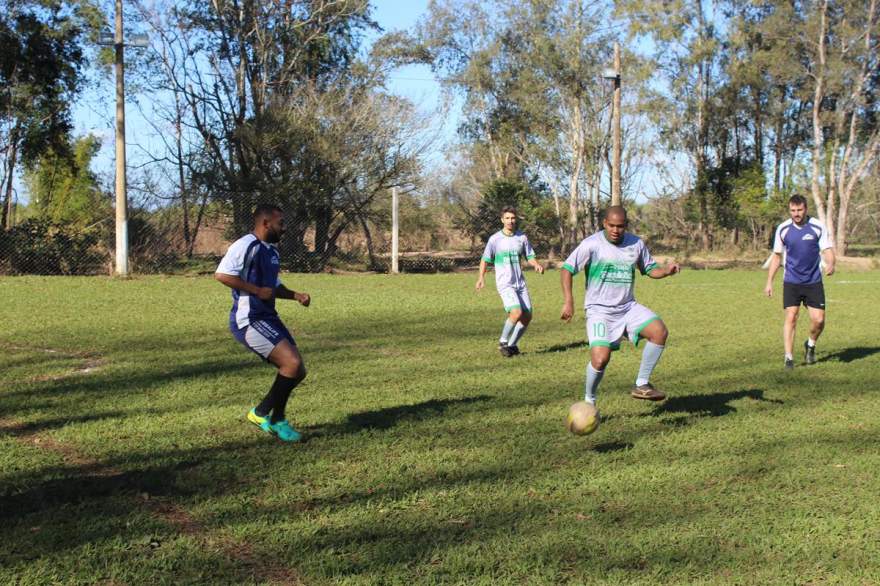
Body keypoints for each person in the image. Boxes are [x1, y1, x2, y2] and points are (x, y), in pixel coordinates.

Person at [560, 206, 680, 410]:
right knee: (600, 359)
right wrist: (569, 301)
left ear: (626, 225)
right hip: (599, 310)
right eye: (612, 225)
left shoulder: (636, 244)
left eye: (621, 226)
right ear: (604, 223)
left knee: (659, 331)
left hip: (627, 307)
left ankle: (642, 384)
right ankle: (589, 400)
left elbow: (650, 270)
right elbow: (567, 269)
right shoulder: (592, 244)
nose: (616, 230)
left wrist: (666, 271)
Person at [215, 204, 311, 442]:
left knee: (297, 371)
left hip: (268, 317)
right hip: (249, 319)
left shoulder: (272, 252)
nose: (284, 228)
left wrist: (295, 295)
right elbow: (223, 274)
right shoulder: (245, 245)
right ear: (266, 223)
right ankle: (268, 416)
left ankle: (269, 416)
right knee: (292, 363)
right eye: (281, 223)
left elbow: (273, 286)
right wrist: (255, 290)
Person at [764, 194, 835, 370]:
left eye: (799, 210)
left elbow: (827, 249)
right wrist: (769, 282)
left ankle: (810, 344)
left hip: (813, 281)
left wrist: (831, 263)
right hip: (791, 281)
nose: (796, 214)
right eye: (793, 210)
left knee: (818, 321)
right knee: (791, 316)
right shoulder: (783, 229)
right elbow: (776, 257)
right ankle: (788, 357)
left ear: (806, 209)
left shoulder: (817, 227)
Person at [475, 206, 545, 357]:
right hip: (505, 283)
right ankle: (503, 342)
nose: (510, 221)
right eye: (507, 218)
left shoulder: (522, 237)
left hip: (520, 283)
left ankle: (512, 345)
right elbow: (485, 259)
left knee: (527, 316)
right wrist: (481, 277)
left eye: (512, 218)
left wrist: (536, 265)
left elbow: (530, 256)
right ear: (502, 220)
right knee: (516, 312)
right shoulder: (495, 239)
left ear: (516, 219)